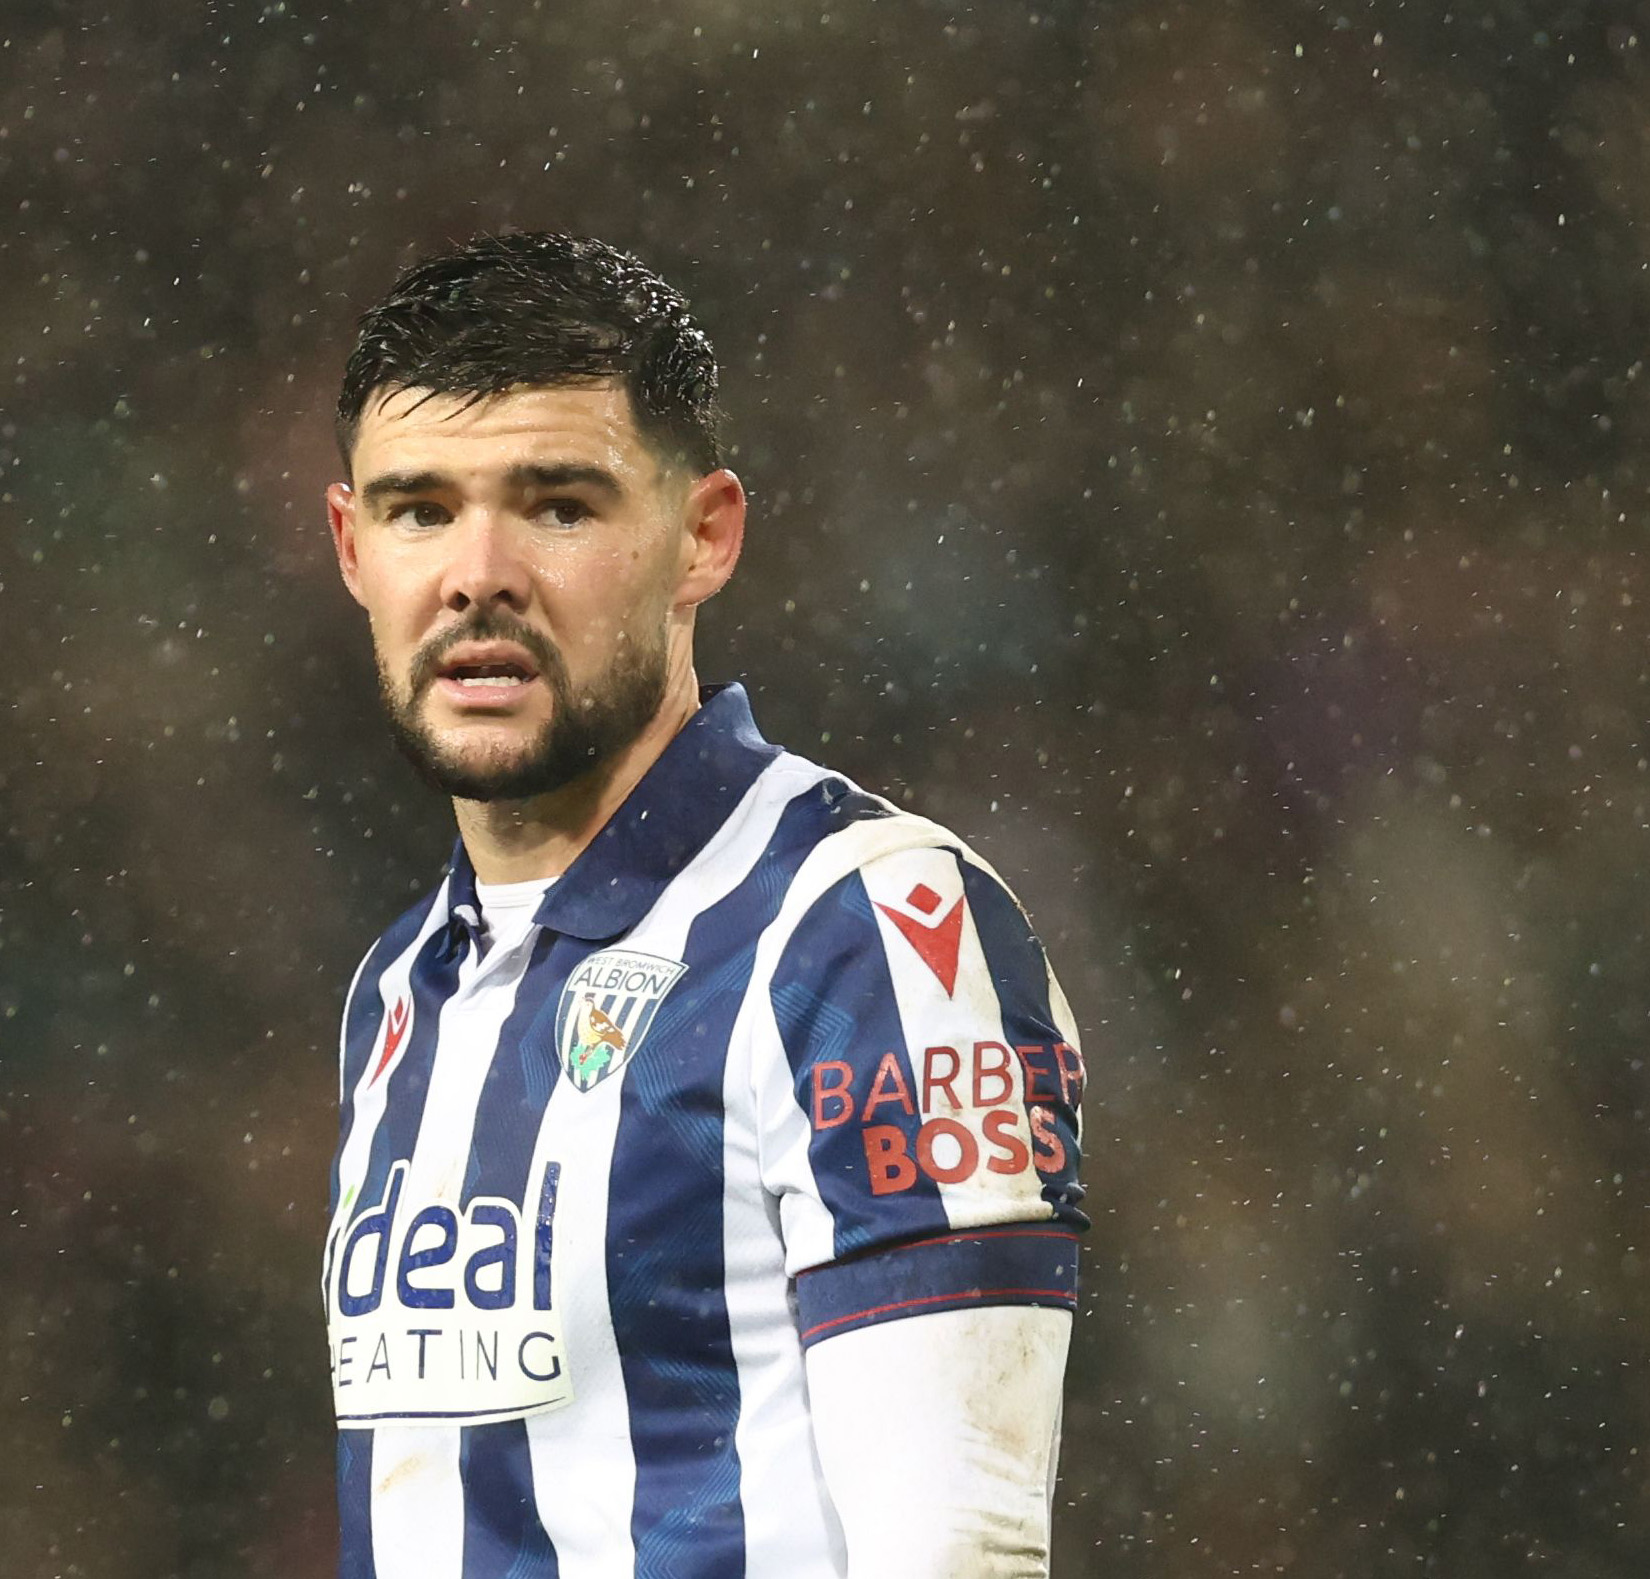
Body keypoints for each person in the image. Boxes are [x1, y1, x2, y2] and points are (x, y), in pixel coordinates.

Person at [320, 232, 1089, 1578]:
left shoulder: (861, 929)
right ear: (350, 547)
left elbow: (956, 1545)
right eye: (419, 508)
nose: (475, 571)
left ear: (703, 537)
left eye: (558, 505)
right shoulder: (400, 991)